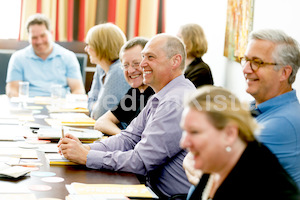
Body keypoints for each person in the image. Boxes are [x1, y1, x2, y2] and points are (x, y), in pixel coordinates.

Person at [58, 33, 196, 198]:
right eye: (143, 57)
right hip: (149, 188)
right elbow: (128, 138)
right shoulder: (161, 95)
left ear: (175, 61)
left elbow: (141, 162)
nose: (142, 64)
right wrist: (86, 148)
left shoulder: (174, 102)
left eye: (150, 57)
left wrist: (87, 156)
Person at [180, 85, 300, 200]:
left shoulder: (260, 182)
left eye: (194, 132)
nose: (183, 143)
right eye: (184, 131)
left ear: (230, 134)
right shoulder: (216, 163)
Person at [241, 29, 300, 187]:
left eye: (257, 62)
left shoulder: (281, 123)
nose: (246, 69)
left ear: (284, 73)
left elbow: (215, 175)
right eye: (246, 60)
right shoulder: (256, 107)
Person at [6, 13, 85, 97]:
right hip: (28, 106)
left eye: (43, 36)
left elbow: (78, 90)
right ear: (28, 37)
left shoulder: (68, 57)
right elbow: (12, 90)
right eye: (34, 37)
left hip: (59, 106)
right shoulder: (18, 58)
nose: (39, 41)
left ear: (51, 33)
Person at [94, 37, 154, 135]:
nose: (130, 70)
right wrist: (125, 137)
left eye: (136, 64)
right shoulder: (135, 92)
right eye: (125, 65)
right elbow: (101, 122)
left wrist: (126, 139)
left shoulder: (157, 93)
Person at [86, 23, 130, 120]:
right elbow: (90, 101)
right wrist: (95, 107)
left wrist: (95, 107)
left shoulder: (118, 71)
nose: (86, 49)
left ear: (101, 47)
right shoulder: (100, 66)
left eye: (89, 45)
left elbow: (99, 114)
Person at [177, 23, 214, 88]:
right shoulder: (179, 63)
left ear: (190, 41)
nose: (176, 41)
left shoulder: (201, 70)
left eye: (179, 37)